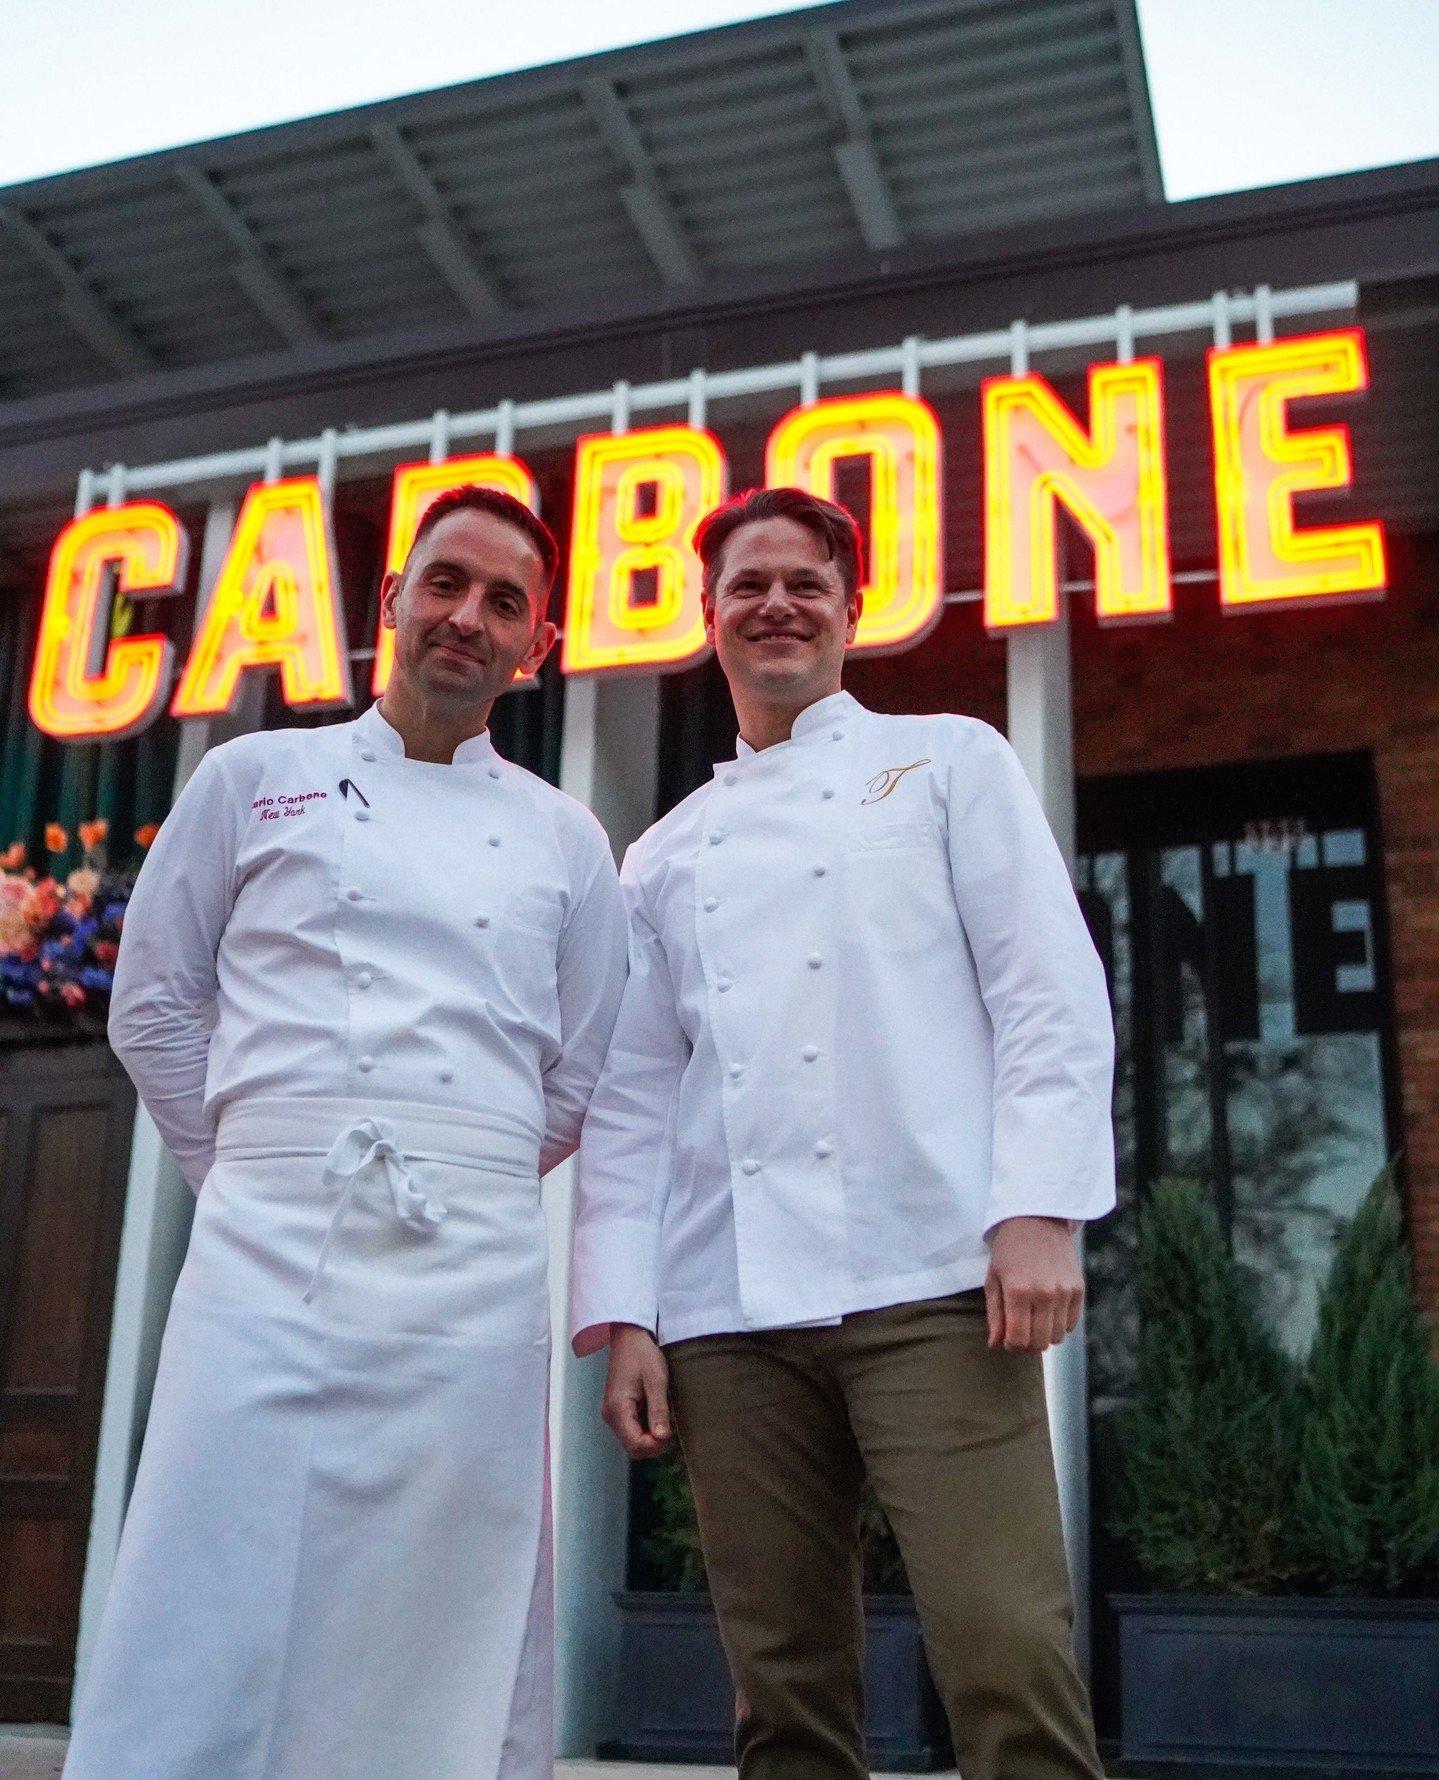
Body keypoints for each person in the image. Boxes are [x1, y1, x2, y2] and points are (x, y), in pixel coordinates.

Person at [66, 486, 628, 1780]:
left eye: (505, 603)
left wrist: (458, 1165)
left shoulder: (567, 837)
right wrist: (253, 1166)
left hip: (472, 1266)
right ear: (391, 601)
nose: (468, 617)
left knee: (443, 1584)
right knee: (217, 1555)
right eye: (446, 583)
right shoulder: (248, 778)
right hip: (264, 1245)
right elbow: (153, 1006)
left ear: (537, 646)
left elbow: (580, 1065)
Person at [572, 486, 1115, 1780]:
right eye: (747, 584)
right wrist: (626, 1313)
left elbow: (1046, 988)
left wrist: (1038, 1208)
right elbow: (633, 1101)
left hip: (934, 1282)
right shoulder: (660, 855)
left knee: (1005, 1651)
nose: (776, 604)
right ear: (708, 615)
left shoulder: (949, 762)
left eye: (804, 583)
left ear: (851, 612)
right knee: (782, 1690)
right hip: (727, 1315)